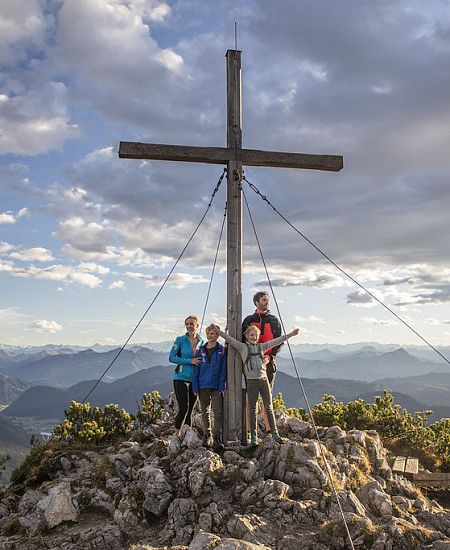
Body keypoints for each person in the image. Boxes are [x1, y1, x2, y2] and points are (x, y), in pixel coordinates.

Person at [212, 323, 299, 446]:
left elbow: (277, 341)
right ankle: (253, 436)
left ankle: (275, 433)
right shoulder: (242, 347)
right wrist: (219, 332)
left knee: (268, 407)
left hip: (264, 380)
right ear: (247, 336)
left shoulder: (262, 347)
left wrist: (291, 335)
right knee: (252, 409)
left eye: (256, 335)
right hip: (251, 381)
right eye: (251, 335)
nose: (254, 337)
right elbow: (229, 340)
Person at [242, 291, 283, 435]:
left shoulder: (274, 320)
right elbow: (242, 341)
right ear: (257, 302)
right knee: (250, 398)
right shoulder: (248, 320)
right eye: (264, 300)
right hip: (251, 365)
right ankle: (248, 429)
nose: (267, 302)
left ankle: (269, 429)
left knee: (268, 397)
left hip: (269, 364)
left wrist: (271, 356)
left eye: (267, 300)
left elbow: (279, 341)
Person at [192, 324, 227, 450]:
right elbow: (196, 370)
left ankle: (217, 437)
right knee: (205, 411)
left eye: (213, 333)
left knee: (218, 412)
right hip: (202, 385)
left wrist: (221, 386)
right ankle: (208, 436)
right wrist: (195, 387)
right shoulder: (200, 350)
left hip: (216, 386)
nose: (210, 336)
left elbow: (223, 369)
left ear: (217, 335)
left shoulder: (222, 350)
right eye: (208, 333)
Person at [169, 315, 204, 436]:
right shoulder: (179, 340)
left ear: (197, 325)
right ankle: (177, 435)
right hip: (180, 378)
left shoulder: (202, 342)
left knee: (190, 410)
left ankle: (187, 436)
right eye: (187, 324)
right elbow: (171, 358)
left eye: (192, 324)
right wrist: (190, 361)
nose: (189, 326)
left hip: (195, 379)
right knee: (183, 408)